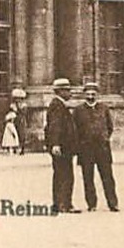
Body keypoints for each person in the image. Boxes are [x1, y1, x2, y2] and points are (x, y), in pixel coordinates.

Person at [73, 80, 118, 211]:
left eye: (93, 94)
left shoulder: (104, 108)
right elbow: (75, 130)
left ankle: (113, 203)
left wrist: (104, 138)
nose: (91, 97)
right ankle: (91, 204)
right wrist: (81, 144)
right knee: (88, 178)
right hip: (86, 149)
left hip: (102, 149)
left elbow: (110, 127)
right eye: (88, 94)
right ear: (84, 95)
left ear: (97, 95)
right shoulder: (78, 110)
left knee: (108, 177)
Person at [45, 78, 80, 213]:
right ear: (60, 91)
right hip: (62, 147)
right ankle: (64, 204)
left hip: (63, 147)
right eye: (67, 90)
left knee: (61, 174)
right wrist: (55, 144)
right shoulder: (57, 105)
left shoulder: (59, 104)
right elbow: (55, 126)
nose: (70, 93)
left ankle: (59, 203)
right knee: (65, 175)